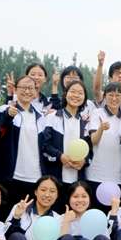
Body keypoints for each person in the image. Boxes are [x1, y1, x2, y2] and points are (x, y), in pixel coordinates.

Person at [0, 75, 47, 217]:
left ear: (36, 91)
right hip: (12, 177)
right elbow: (1, 125)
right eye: (23, 87)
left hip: (35, 177)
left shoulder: (40, 117)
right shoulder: (6, 109)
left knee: (30, 219)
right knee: (6, 218)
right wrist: (9, 115)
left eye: (31, 88)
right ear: (15, 89)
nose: (27, 91)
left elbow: (44, 146)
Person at [41, 80, 90, 208]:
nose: (76, 95)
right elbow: (45, 145)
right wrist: (60, 156)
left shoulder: (85, 122)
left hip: (77, 182)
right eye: (72, 91)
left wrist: (84, 161)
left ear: (84, 98)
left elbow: (90, 149)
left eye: (80, 93)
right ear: (65, 94)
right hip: (55, 179)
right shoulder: (52, 117)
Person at [86, 83, 121, 206]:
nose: (114, 98)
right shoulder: (97, 113)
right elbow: (93, 140)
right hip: (96, 174)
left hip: (118, 175)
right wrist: (101, 129)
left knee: (115, 211)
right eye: (110, 95)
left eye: (118, 95)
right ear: (104, 96)